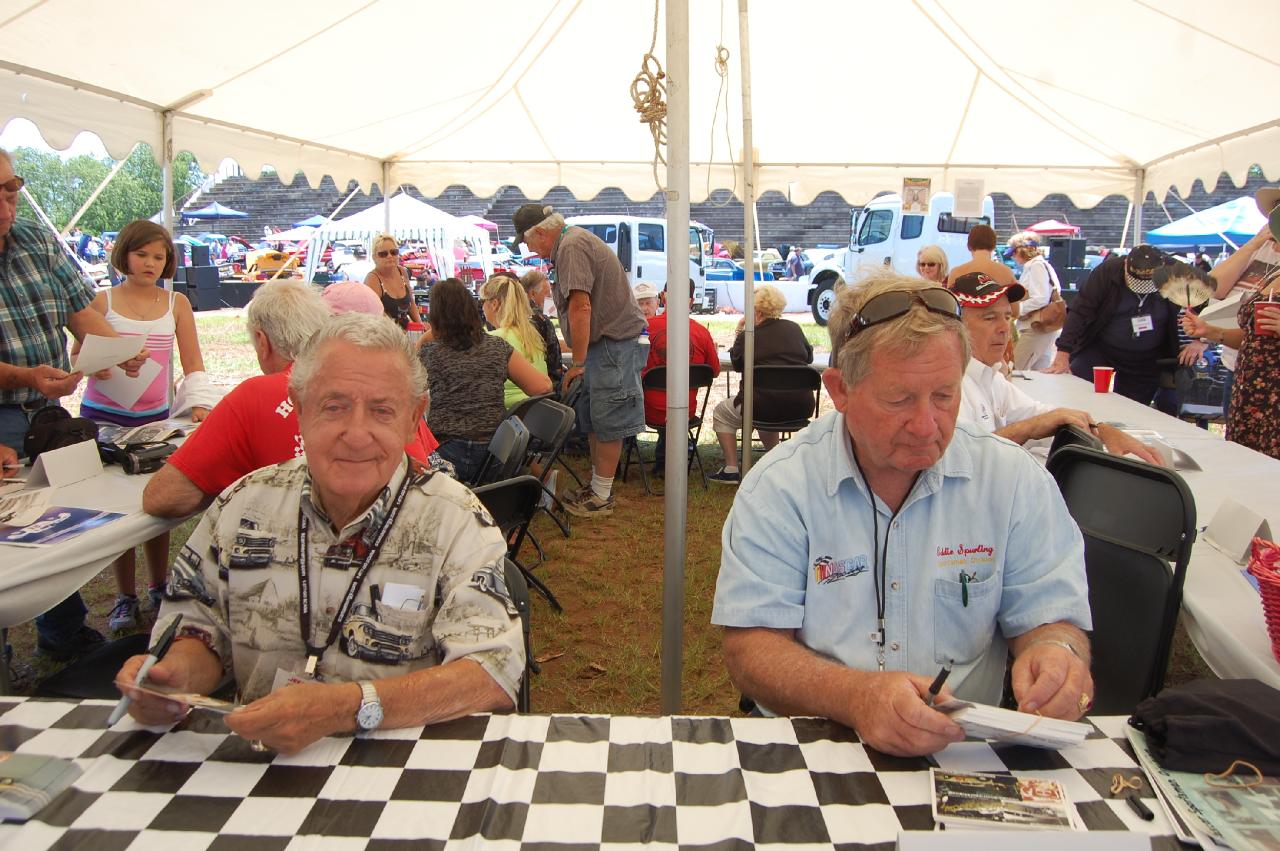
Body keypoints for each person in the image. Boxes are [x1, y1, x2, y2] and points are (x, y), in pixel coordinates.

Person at [711, 273, 1093, 757]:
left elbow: (1050, 616)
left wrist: (1057, 653)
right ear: (839, 390)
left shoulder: (1012, 479)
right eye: (899, 400)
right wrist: (855, 697)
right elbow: (751, 647)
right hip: (819, 747)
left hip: (963, 755)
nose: (926, 425)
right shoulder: (780, 486)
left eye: (945, 396)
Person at [119, 313, 524, 755]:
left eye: (382, 410)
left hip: (396, 771)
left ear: (413, 419)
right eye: (334, 407)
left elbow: (491, 672)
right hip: (259, 770)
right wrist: (175, 675)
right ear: (299, 408)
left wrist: (346, 709)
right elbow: (199, 626)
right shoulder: (243, 505)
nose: (356, 434)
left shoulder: (455, 520)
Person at [0, 149, 149, 660]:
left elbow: (81, 311)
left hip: (49, 415)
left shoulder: (36, 239)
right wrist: (24, 376)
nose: (7, 204)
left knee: (60, 523)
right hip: (4, 413)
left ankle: (62, 632)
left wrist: (116, 348)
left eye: (12, 189)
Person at [143, 280, 438, 519]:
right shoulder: (385, 391)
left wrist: (238, 485)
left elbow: (164, 498)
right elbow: (424, 472)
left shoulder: (252, 396)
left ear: (262, 341)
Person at [74, 221, 214, 631]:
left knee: (154, 506)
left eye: (158, 256)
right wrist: (96, 367)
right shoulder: (101, 301)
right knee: (116, 514)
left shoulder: (177, 304)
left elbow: (193, 360)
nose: (150, 263)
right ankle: (125, 596)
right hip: (102, 418)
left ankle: (157, 586)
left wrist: (200, 403)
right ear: (124, 255)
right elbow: (78, 356)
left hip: (155, 421)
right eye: (141, 254)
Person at [514, 204, 646, 517]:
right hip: (607, 344)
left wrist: (579, 361)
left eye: (526, 242)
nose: (528, 249)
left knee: (608, 417)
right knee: (596, 417)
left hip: (612, 343)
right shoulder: (571, 243)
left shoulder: (571, 246)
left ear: (541, 233)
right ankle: (597, 489)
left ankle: (601, 495)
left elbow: (581, 307)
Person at [952, 272, 1163, 465]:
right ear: (955, 326)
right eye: (989, 318)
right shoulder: (952, 385)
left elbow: (1042, 415)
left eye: (1007, 317)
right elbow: (962, 457)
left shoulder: (990, 377)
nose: (1004, 328)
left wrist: (1100, 430)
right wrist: (1029, 428)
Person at [418, 277, 551, 483]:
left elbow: (406, 391)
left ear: (434, 317)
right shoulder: (497, 347)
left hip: (445, 457)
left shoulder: (429, 352)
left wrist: (427, 337)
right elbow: (542, 386)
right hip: (495, 455)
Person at [1181, 190, 1280, 459]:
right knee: (1244, 456)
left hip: (1271, 384)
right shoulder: (1262, 254)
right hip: (1245, 374)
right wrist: (1211, 332)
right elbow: (1209, 289)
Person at [1044, 245, 1189, 414]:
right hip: (1101, 347)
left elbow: (1205, 305)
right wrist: (1063, 351)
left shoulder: (1179, 273)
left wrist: (1201, 341)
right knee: (1077, 390)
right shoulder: (1108, 271)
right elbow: (1080, 311)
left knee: (1130, 411)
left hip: (1146, 358)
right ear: (1126, 264)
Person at [709, 284, 813, 484]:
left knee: (722, 413)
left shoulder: (749, 335)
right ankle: (776, 462)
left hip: (761, 405)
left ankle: (731, 468)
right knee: (768, 406)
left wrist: (740, 331)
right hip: (800, 406)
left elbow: (737, 364)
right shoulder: (795, 329)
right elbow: (808, 357)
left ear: (756, 312)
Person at [643, 281, 722, 477]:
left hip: (647, 411)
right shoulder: (701, 332)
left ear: (663, 297)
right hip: (685, 410)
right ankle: (670, 458)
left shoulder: (645, 328)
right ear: (691, 301)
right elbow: (715, 371)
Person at [479, 273, 549, 410]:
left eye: (482, 302)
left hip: (510, 411)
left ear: (494, 304)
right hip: (536, 410)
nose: (482, 307)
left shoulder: (494, 339)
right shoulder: (531, 334)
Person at [1008, 232, 1062, 370]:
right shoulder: (1042, 265)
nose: (1013, 257)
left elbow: (1040, 298)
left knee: (1016, 369)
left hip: (1035, 326)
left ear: (1020, 251)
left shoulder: (1036, 266)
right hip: (1042, 325)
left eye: (1013, 253)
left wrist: (1018, 309)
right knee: (1038, 371)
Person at [363, 233, 420, 329]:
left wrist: (420, 326)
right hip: (384, 333)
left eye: (394, 252)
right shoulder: (372, 279)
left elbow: (411, 303)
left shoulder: (402, 272)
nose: (389, 256)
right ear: (374, 257)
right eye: (383, 254)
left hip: (406, 332)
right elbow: (376, 315)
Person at [519, 268, 563, 391]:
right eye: (547, 293)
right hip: (547, 385)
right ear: (533, 294)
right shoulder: (540, 319)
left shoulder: (513, 315)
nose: (550, 298)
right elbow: (553, 359)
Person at [948, 225, 1016, 290]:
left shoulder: (956, 273)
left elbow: (949, 298)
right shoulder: (1006, 272)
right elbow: (1016, 297)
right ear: (994, 246)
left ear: (968, 246)